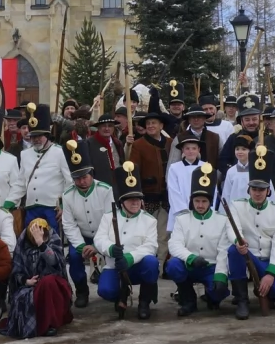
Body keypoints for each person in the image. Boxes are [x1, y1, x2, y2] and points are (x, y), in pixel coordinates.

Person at [225, 147, 275, 319]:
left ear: (268, 191)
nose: (257, 193)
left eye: (261, 189)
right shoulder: (237, 206)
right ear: (249, 190)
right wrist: (238, 241)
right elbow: (232, 229)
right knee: (234, 251)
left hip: (268, 259)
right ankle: (241, 300)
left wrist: (270, 274)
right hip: (248, 255)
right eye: (254, 189)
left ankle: (266, 291)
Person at [166, 163, 234, 316]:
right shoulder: (182, 220)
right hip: (189, 265)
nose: (200, 205)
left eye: (204, 201)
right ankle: (188, 299)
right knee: (173, 265)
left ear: (210, 202)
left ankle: (211, 297)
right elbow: (174, 244)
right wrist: (190, 257)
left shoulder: (222, 220)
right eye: (197, 201)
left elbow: (224, 250)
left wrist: (220, 275)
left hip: (211, 266)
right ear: (192, 202)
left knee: (220, 291)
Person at [95, 162, 161, 319]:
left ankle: (144, 301)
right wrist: (110, 248)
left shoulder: (149, 220)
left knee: (151, 263)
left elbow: (151, 246)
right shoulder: (108, 218)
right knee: (105, 290)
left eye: (138, 199)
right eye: (131, 199)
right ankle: (120, 295)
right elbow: (99, 239)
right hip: (114, 266)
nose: (135, 202)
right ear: (122, 202)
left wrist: (130, 257)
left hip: (138, 267)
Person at [4, 104, 73, 236]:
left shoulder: (59, 152)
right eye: (33, 136)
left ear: (47, 134)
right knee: (31, 243)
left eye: (39, 136)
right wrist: (9, 202)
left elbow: (69, 182)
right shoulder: (25, 154)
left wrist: (65, 206)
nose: (35, 139)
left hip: (52, 209)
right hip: (31, 209)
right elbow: (21, 182)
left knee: (53, 243)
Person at [0, 218, 73, 338]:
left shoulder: (53, 240)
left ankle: (50, 323)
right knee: (23, 297)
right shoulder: (23, 245)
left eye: (42, 234)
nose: (38, 237)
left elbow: (55, 261)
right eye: (34, 235)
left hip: (53, 286)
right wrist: (27, 281)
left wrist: (41, 243)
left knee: (48, 282)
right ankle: (37, 325)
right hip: (30, 286)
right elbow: (16, 273)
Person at [61, 144, 114, 308]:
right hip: (82, 235)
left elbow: (110, 219)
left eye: (85, 177)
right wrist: (82, 245)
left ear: (91, 174)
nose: (82, 182)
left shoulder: (105, 190)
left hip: (105, 233)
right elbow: (69, 225)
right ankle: (82, 291)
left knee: (114, 255)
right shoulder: (68, 195)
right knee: (74, 258)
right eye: (77, 178)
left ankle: (118, 287)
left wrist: (96, 245)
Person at [125, 91, 171, 264]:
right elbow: (133, 171)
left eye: (154, 123)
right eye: (149, 123)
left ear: (161, 126)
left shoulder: (169, 143)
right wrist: (137, 194)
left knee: (163, 233)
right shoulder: (138, 145)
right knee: (145, 233)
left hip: (165, 197)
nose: (151, 126)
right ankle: (147, 262)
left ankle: (161, 263)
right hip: (146, 196)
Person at [220, 134, 275, 210]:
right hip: (236, 209)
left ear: (250, 151)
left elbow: (269, 191)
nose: (240, 152)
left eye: (244, 149)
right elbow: (226, 194)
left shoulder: (259, 169)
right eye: (237, 149)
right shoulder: (231, 171)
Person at [166, 134, 204, 233]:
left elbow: (212, 190)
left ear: (198, 150)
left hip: (200, 209)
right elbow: (173, 190)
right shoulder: (174, 168)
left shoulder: (205, 167)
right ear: (182, 150)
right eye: (187, 148)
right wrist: (183, 210)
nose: (191, 151)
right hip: (180, 211)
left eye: (194, 148)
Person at [86, 113, 125, 186]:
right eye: (103, 126)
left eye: (110, 126)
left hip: (117, 185)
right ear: (98, 128)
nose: (107, 129)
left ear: (113, 128)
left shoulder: (118, 143)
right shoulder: (89, 143)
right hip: (97, 185)